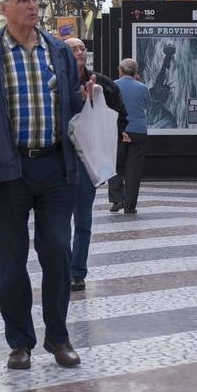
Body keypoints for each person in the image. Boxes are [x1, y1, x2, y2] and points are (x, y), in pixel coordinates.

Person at [0, 0, 89, 370]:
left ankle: (58, 337)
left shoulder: (57, 50)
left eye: (35, 0)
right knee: (12, 259)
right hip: (9, 170)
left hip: (55, 166)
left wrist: (82, 99)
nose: (32, 7)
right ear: (4, 8)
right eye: (23, 1)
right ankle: (19, 342)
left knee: (56, 251)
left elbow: (68, 102)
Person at [63, 37, 128, 292]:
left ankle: (77, 272)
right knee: (57, 223)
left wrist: (107, 143)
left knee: (83, 220)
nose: (79, 52)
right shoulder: (53, 83)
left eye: (82, 48)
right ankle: (61, 267)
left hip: (85, 161)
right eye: (73, 49)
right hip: (58, 158)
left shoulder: (102, 83)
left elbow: (120, 115)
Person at [111, 58, 150, 214]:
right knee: (134, 170)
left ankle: (116, 199)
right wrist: (138, 82)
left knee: (115, 165)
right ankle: (130, 206)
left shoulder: (113, 85)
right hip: (139, 131)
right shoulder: (143, 87)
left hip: (119, 130)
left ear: (120, 70)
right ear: (136, 72)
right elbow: (148, 105)